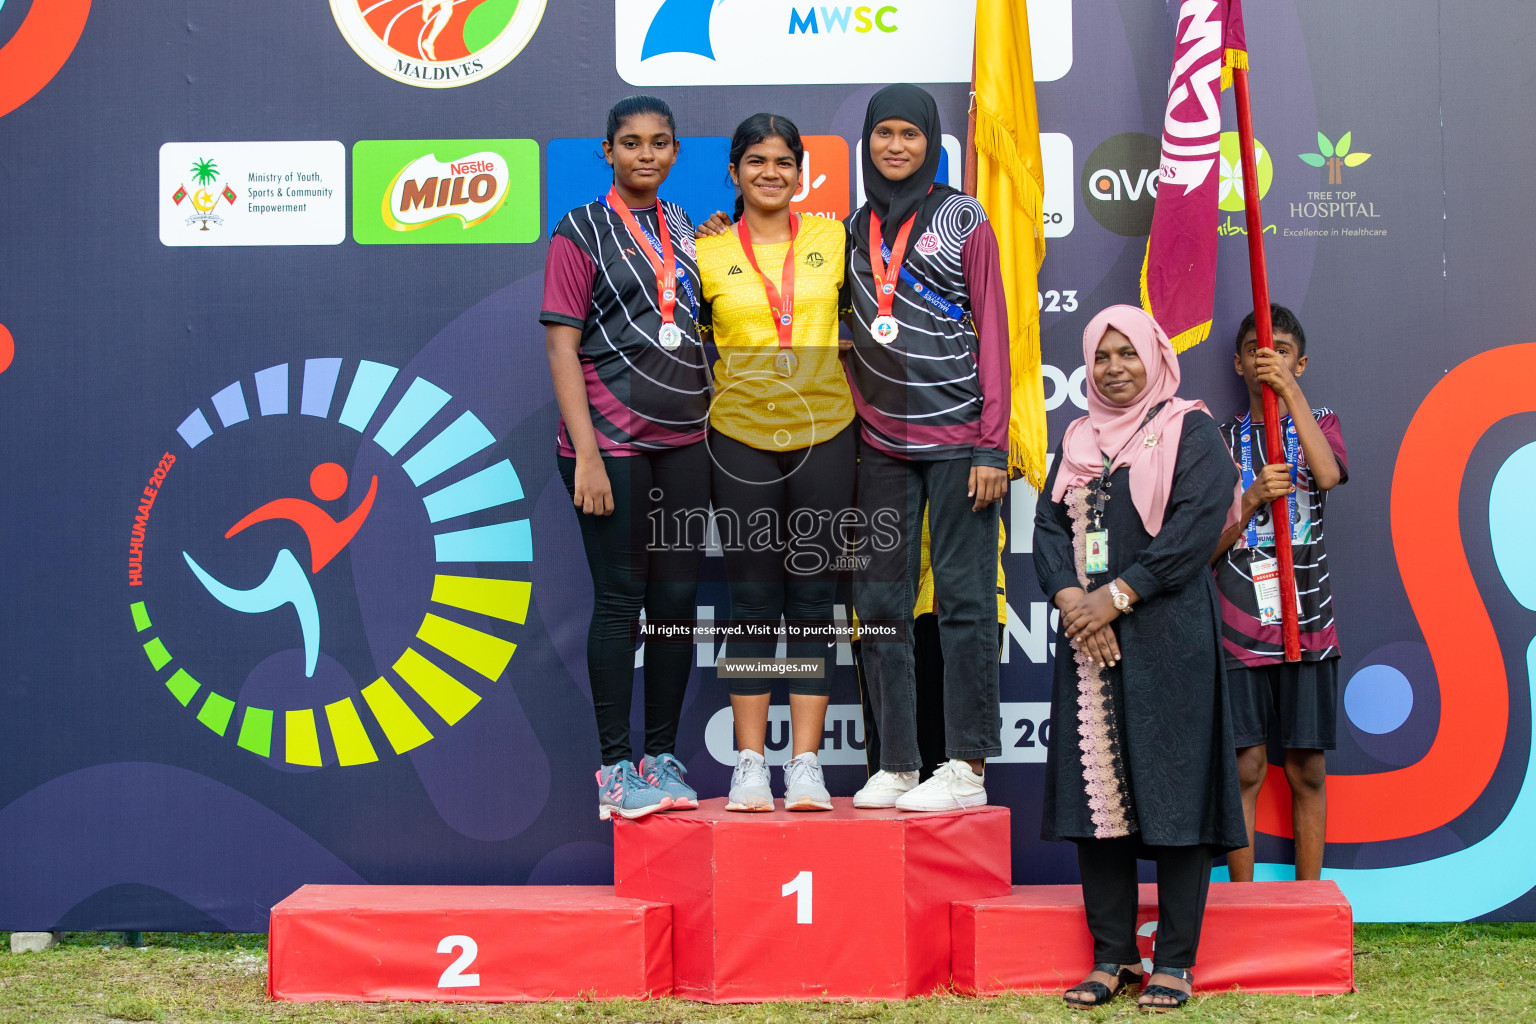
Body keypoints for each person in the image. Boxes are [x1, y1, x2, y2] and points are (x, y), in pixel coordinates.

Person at [1033, 305, 1246, 1010]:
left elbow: (1192, 533)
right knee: (1102, 808)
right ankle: (1114, 956)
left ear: (1154, 356)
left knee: (1177, 794)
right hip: (1090, 646)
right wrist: (1074, 603)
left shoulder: (1192, 430)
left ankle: (1175, 961)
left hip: (1170, 639)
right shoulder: (1077, 439)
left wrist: (1115, 598)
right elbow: (1045, 530)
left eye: (1129, 354)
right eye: (1102, 356)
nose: (1115, 369)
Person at [539, 95, 711, 820]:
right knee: (621, 602)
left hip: (686, 446)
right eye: (632, 143)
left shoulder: (683, 228)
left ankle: (662, 759)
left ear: (675, 152)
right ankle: (614, 770)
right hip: (610, 445)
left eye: (660, 143)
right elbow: (560, 345)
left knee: (673, 606)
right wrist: (584, 454)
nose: (647, 154)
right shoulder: (579, 230)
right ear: (607, 152)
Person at [843, 84, 1010, 812]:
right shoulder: (855, 226)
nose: (896, 146)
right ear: (868, 142)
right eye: (884, 134)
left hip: (958, 442)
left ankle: (966, 768)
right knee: (879, 604)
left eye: (910, 134)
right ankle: (900, 763)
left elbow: (997, 334)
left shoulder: (963, 217)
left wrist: (991, 447)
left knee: (966, 605)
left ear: (932, 141)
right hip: (881, 444)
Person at [694, 113, 852, 812]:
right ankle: (751, 763)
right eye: (755, 161)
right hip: (741, 435)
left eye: (783, 162)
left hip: (826, 433)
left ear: (800, 173)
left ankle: (807, 765)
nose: (769, 172)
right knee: (753, 600)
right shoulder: (704, 253)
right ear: (734, 173)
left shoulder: (833, 236)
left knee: (813, 600)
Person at [1213, 305, 1347, 883]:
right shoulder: (1220, 440)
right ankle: (1244, 905)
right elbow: (1202, 550)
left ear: (1302, 361)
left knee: (1306, 770)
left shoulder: (1321, 420)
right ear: (1239, 362)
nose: (1269, 359)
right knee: (1245, 768)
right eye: (1257, 350)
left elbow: (1328, 475)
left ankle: (1308, 902)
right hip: (1240, 628)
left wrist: (1289, 394)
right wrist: (1247, 502)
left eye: (1283, 350)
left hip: (1309, 623)